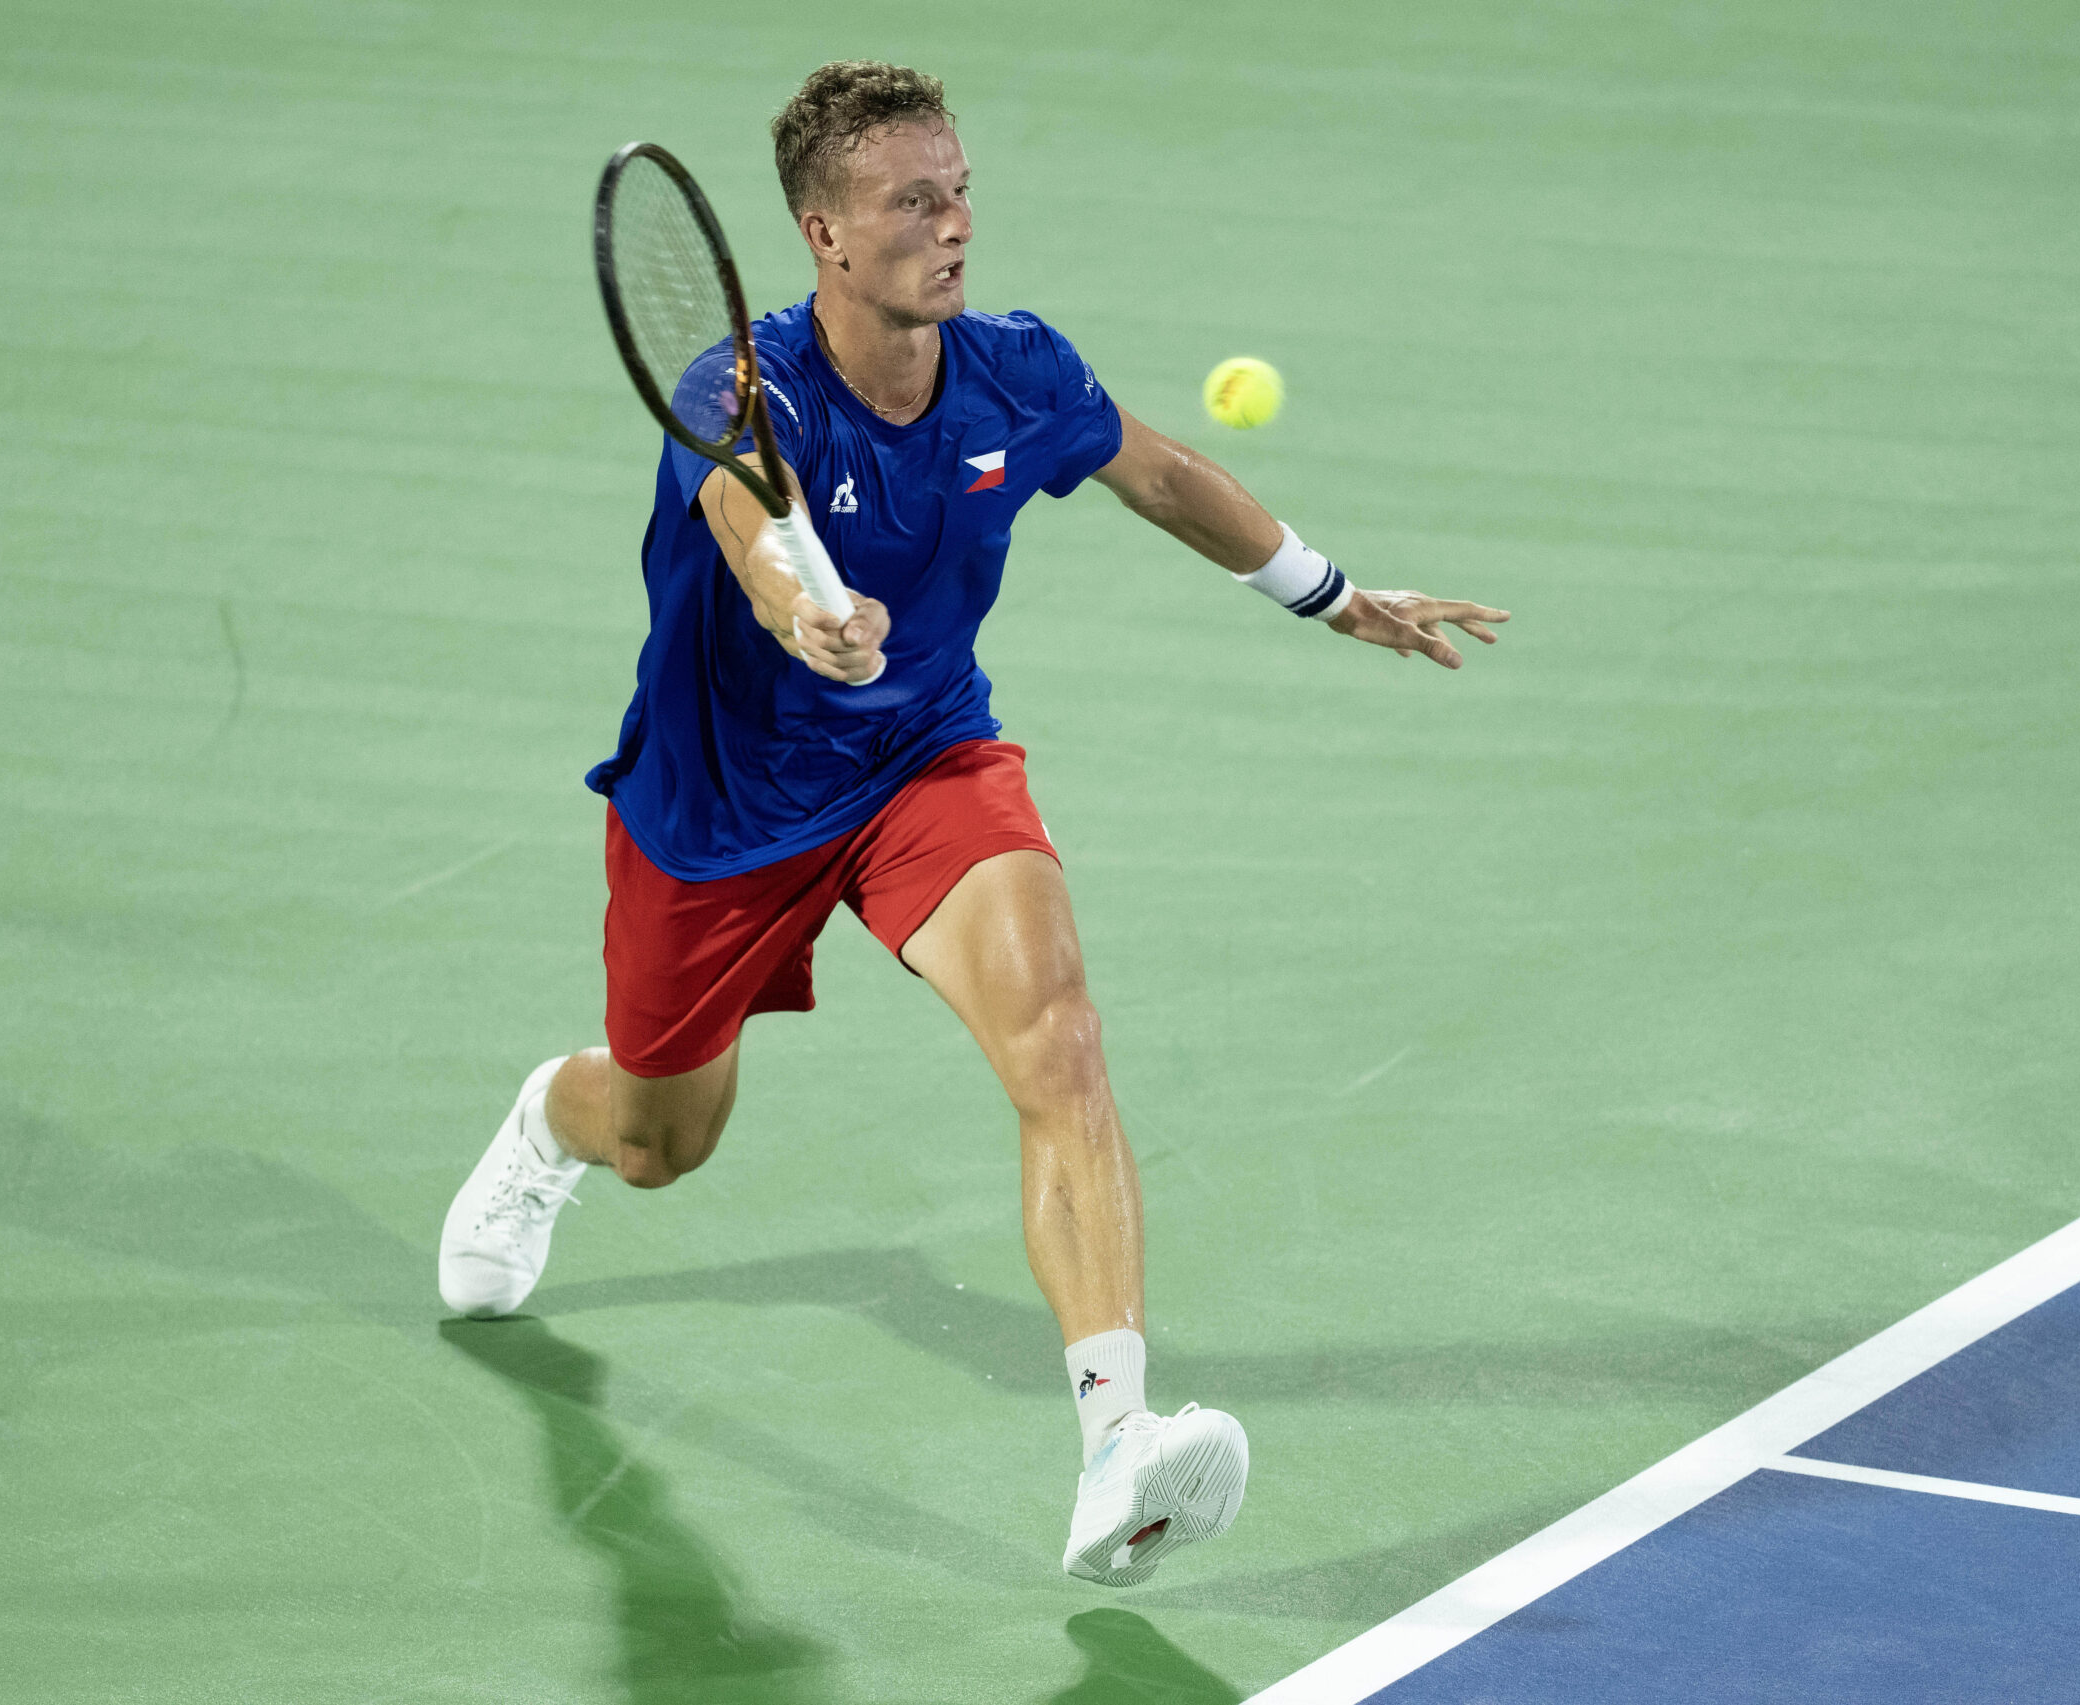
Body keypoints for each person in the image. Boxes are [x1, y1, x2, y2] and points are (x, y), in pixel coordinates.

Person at [439, 59, 1508, 1588]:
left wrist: (1331, 592)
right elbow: (749, 528)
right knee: (665, 1139)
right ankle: (555, 1117)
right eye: (912, 202)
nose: (952, 226)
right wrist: (805, 613)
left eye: (959, 193)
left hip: (924, 760)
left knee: (1058, 1033)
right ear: (821, 231)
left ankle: (1116, 1445)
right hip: (724, 811)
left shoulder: (1014, 369)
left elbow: (1158, 469)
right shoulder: (742, 395)